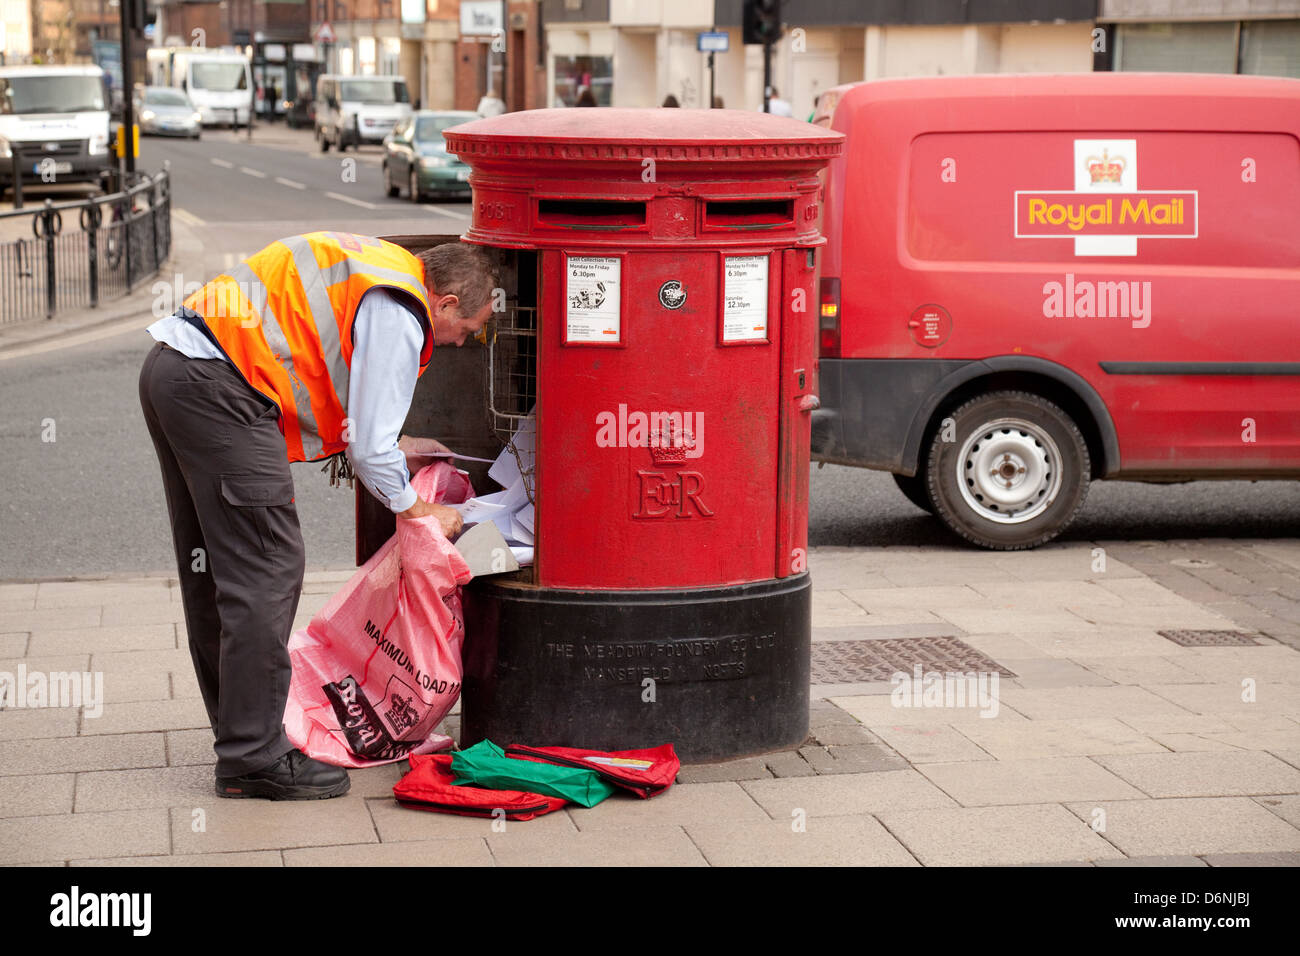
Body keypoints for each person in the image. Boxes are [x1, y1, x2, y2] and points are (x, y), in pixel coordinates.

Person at [138, 234, 497, 800]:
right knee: (267, 568)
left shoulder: (379, 265)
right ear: (446, 302)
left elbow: (330, 374)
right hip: (223, 390)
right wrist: (415, 508)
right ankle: (253, 757)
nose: (457, 342)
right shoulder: (403, 306)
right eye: (468, 328)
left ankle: (242, 734)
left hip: (177, 369)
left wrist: (388, 445)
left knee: (216, 570)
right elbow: (370, 450)